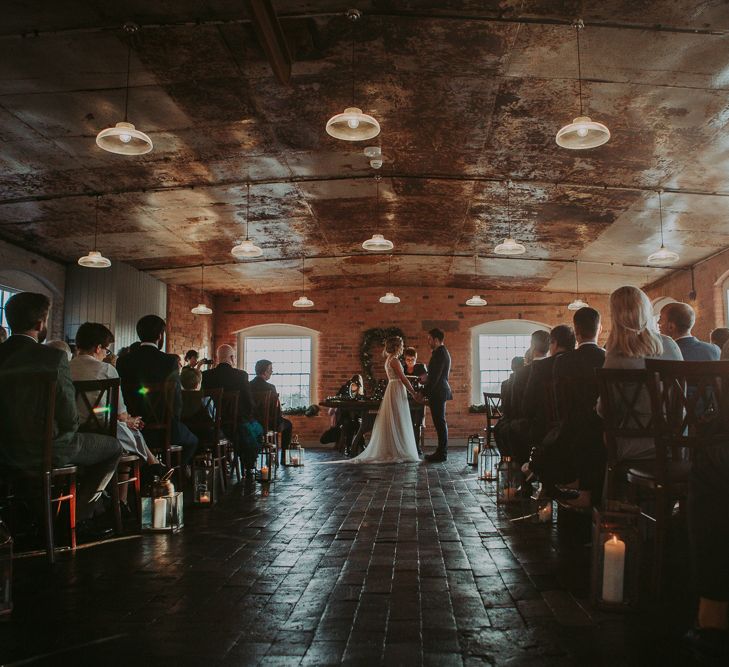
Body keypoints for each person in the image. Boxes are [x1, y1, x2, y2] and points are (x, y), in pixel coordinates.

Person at [0, 293, 122, 526]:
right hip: (47, 449)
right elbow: (68, 417)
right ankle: (75, 515)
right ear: (40, 324)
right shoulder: (52, 357)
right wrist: (66, 434)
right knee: (113, 448)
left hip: (4, 450)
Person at [598, 286, 682, 461]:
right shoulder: (670, 345)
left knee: (601, 433)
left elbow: (607, 410)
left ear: (615, 316)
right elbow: (679, 397)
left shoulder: (616, 356)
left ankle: (609, 486)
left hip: (635, 444)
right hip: (675, 441)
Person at [116, 315, 198, 464]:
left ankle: (150, 471)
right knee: (192, 441)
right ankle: (168, 473)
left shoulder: (123, 361)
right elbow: (176, 398)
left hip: (132, 428)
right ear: (160, 336)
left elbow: (121, 395)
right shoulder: (169, 361)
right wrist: (175, 421)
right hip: (163, 429)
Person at [552, 307, 606, 505]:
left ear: (576, 331)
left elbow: (560, 401)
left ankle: (581, 485)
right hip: (602, 425)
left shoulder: (563, 361)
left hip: (572, 427)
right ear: (599, 329)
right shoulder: (606, 358)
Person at [349, 336, 420, 463]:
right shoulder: (395, 361)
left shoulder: (389, 359)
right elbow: (403, 378)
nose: (402, 347)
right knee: (398, 418)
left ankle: (395, 448)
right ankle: (396, 450)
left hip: (393, 389)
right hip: (396, 389)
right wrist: (413, 392)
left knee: (395, 419)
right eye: (401, 345)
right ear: (397, 346)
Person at [202, 344, 259, 469]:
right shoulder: (241, 375)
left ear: (217, 358)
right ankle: (249, 465)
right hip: (236, 424)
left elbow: (203, 401)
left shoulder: (205, 375)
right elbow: (248, 400)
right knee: (256, 429)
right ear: (232, 358)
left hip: (212, 425)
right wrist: (249, 416)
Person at [522, 324, 576, 447]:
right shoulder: (581, 364)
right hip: (581, 430)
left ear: (555, 343)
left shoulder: (541, 366)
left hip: (547, 431)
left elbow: (527, 406)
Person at [250, 359, 292, 465]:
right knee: (288, 425)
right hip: (269, 424)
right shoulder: (270, 388)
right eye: (270, 370)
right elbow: (275, 410)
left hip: (252, 422)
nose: (272, 372)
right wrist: (279, 417)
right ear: (265, 372)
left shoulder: (248, 386)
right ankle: (284, 457)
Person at [422, 328, 452, 462]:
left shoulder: (439, 353)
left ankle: (442, 453)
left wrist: (423, 393)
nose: (428, 341)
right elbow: (434, 375)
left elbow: (435, 377)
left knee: (440, 422)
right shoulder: (441, 352)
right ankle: (441, 452)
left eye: (429, 339)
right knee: (440, 422)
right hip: (438, 390)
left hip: (438, 391)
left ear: (436, 339)